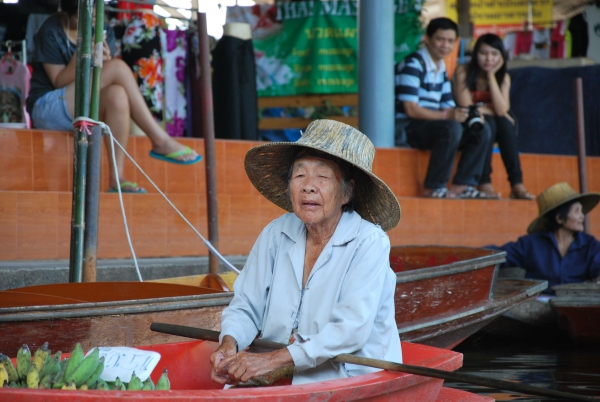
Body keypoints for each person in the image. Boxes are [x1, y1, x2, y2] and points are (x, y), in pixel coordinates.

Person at [210, 119, 403, 385]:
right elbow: (246, 305)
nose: (308, 186)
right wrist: (229, 343)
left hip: (348, 377)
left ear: (347, 192)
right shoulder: (276, 233)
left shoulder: (369, 241)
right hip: (275, 372)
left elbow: (350, 330)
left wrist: (272, 359)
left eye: (322, 176)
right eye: (300, 175)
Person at [26, 0, 201, 194]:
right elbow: (58, 80)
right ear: (66, 14)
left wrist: (103, 63)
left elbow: (99, 80)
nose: (90, 22)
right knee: (117, 68)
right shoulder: (50, 29)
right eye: (81, 17)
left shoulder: (103, 29)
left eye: (93, 17)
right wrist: (85, 55)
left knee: (118, 95)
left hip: (79, 107)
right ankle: (160, 140)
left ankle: (117, 178)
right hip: (47, 107)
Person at [395, 17, 492, 199]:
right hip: (408, 127)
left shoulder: (441, 68)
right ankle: (433, 188)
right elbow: (411, 109)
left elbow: (448, 107)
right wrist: (449, 115)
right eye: (440, 39)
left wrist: (465, 116)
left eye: (450, 41)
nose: (445, 45)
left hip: (432, 127)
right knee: (451, 127)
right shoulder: (413, 64)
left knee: (480, 129)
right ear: (427, 39)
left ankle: (461, 185)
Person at [453, 33, 534, 200]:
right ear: (475, 54)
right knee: (495, 121)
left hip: (491, 123)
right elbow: (466, 106)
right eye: (484, 53)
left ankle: (516, 183)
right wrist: (490, 110)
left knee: (504, 123)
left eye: (495, 54)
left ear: (502, 57)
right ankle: (484, 181)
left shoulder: (503, 77)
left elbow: (502, 109)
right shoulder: (463, 71)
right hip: (465, 124)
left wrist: (491, 76)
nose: (489, 58)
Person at [491, 182, 600, 289]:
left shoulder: (590, 245)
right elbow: (499, 255)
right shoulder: (531, 244)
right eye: (577, 211)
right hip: (539, 305)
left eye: (582, 211)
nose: (582, 216)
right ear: (560, 218)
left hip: (576, 303)